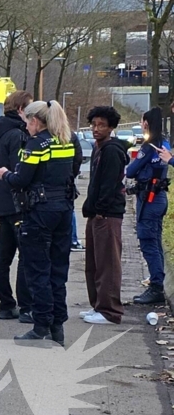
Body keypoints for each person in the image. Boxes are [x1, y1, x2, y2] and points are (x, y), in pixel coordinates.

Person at [0, 100, 78, 344]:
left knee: (38, 270)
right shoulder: (66, 141)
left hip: (39, 212)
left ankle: (41, 324)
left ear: (34, 121)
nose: (26, 128)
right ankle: (58, 326)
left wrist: (5, 174)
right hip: (63, 210)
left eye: (27, 123)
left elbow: (22, 179)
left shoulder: (36, 144)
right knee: (58, 270)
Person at [81, 106, 128, 325]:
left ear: (111, 127)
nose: (96, 129)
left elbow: (109, 185)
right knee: (95, 262)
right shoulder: (99, 148)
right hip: (96, 214)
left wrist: (100, 210)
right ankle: (98, 305)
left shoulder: (111, 151)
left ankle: (110, 311)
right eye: (93, 124)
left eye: (101, 125)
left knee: (108, 262)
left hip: (107, 215)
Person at [0, 91, 33, 322]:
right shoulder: (18, 135)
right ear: (20, 110)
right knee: (24, 255)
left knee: (4, 255)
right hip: (18, 203)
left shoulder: (1, 132)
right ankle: (25, 306)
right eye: (30, 107)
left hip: (5, 202)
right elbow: (21, 170)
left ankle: (6, 304)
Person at [126, 107, 169, 305]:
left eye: (143, 121)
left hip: (149, 200)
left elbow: (132, 171)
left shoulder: (148, 146)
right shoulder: (164, 144)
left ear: (146, 123)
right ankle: (157, 281)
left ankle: (156, 287)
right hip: (159, 198)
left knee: (148, 241)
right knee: (156, 241)